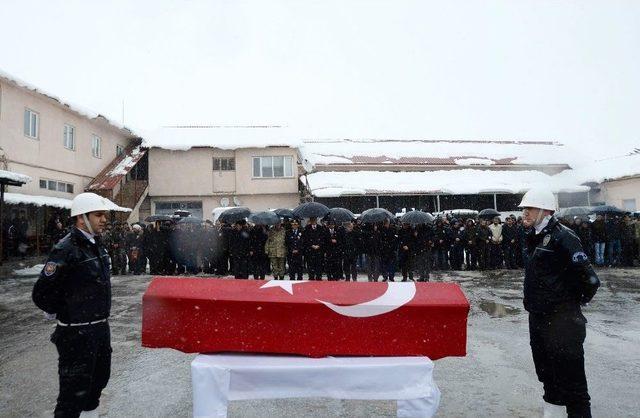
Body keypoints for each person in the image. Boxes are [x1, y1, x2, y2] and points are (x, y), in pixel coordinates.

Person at [32, 192, 129, 418]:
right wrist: (64, 310)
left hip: (99, 328)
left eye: (104, 215)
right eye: (98, 215)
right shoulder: (66, 248)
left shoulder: (97, 245)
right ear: (81, 218)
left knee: (97, 383)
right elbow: (42, 293)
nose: (104, 219)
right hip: (76, 333)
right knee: (72, 395)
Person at [519, 187, 600, 418]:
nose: (524, 213)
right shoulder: (532, 236)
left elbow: (590, 280)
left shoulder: (564, 237)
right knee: (548, 377)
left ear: (545, 211)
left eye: (529, 209)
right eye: (524, 209)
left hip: (563, 322)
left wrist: (568, 304)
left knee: (573, 384)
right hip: (538, 318)